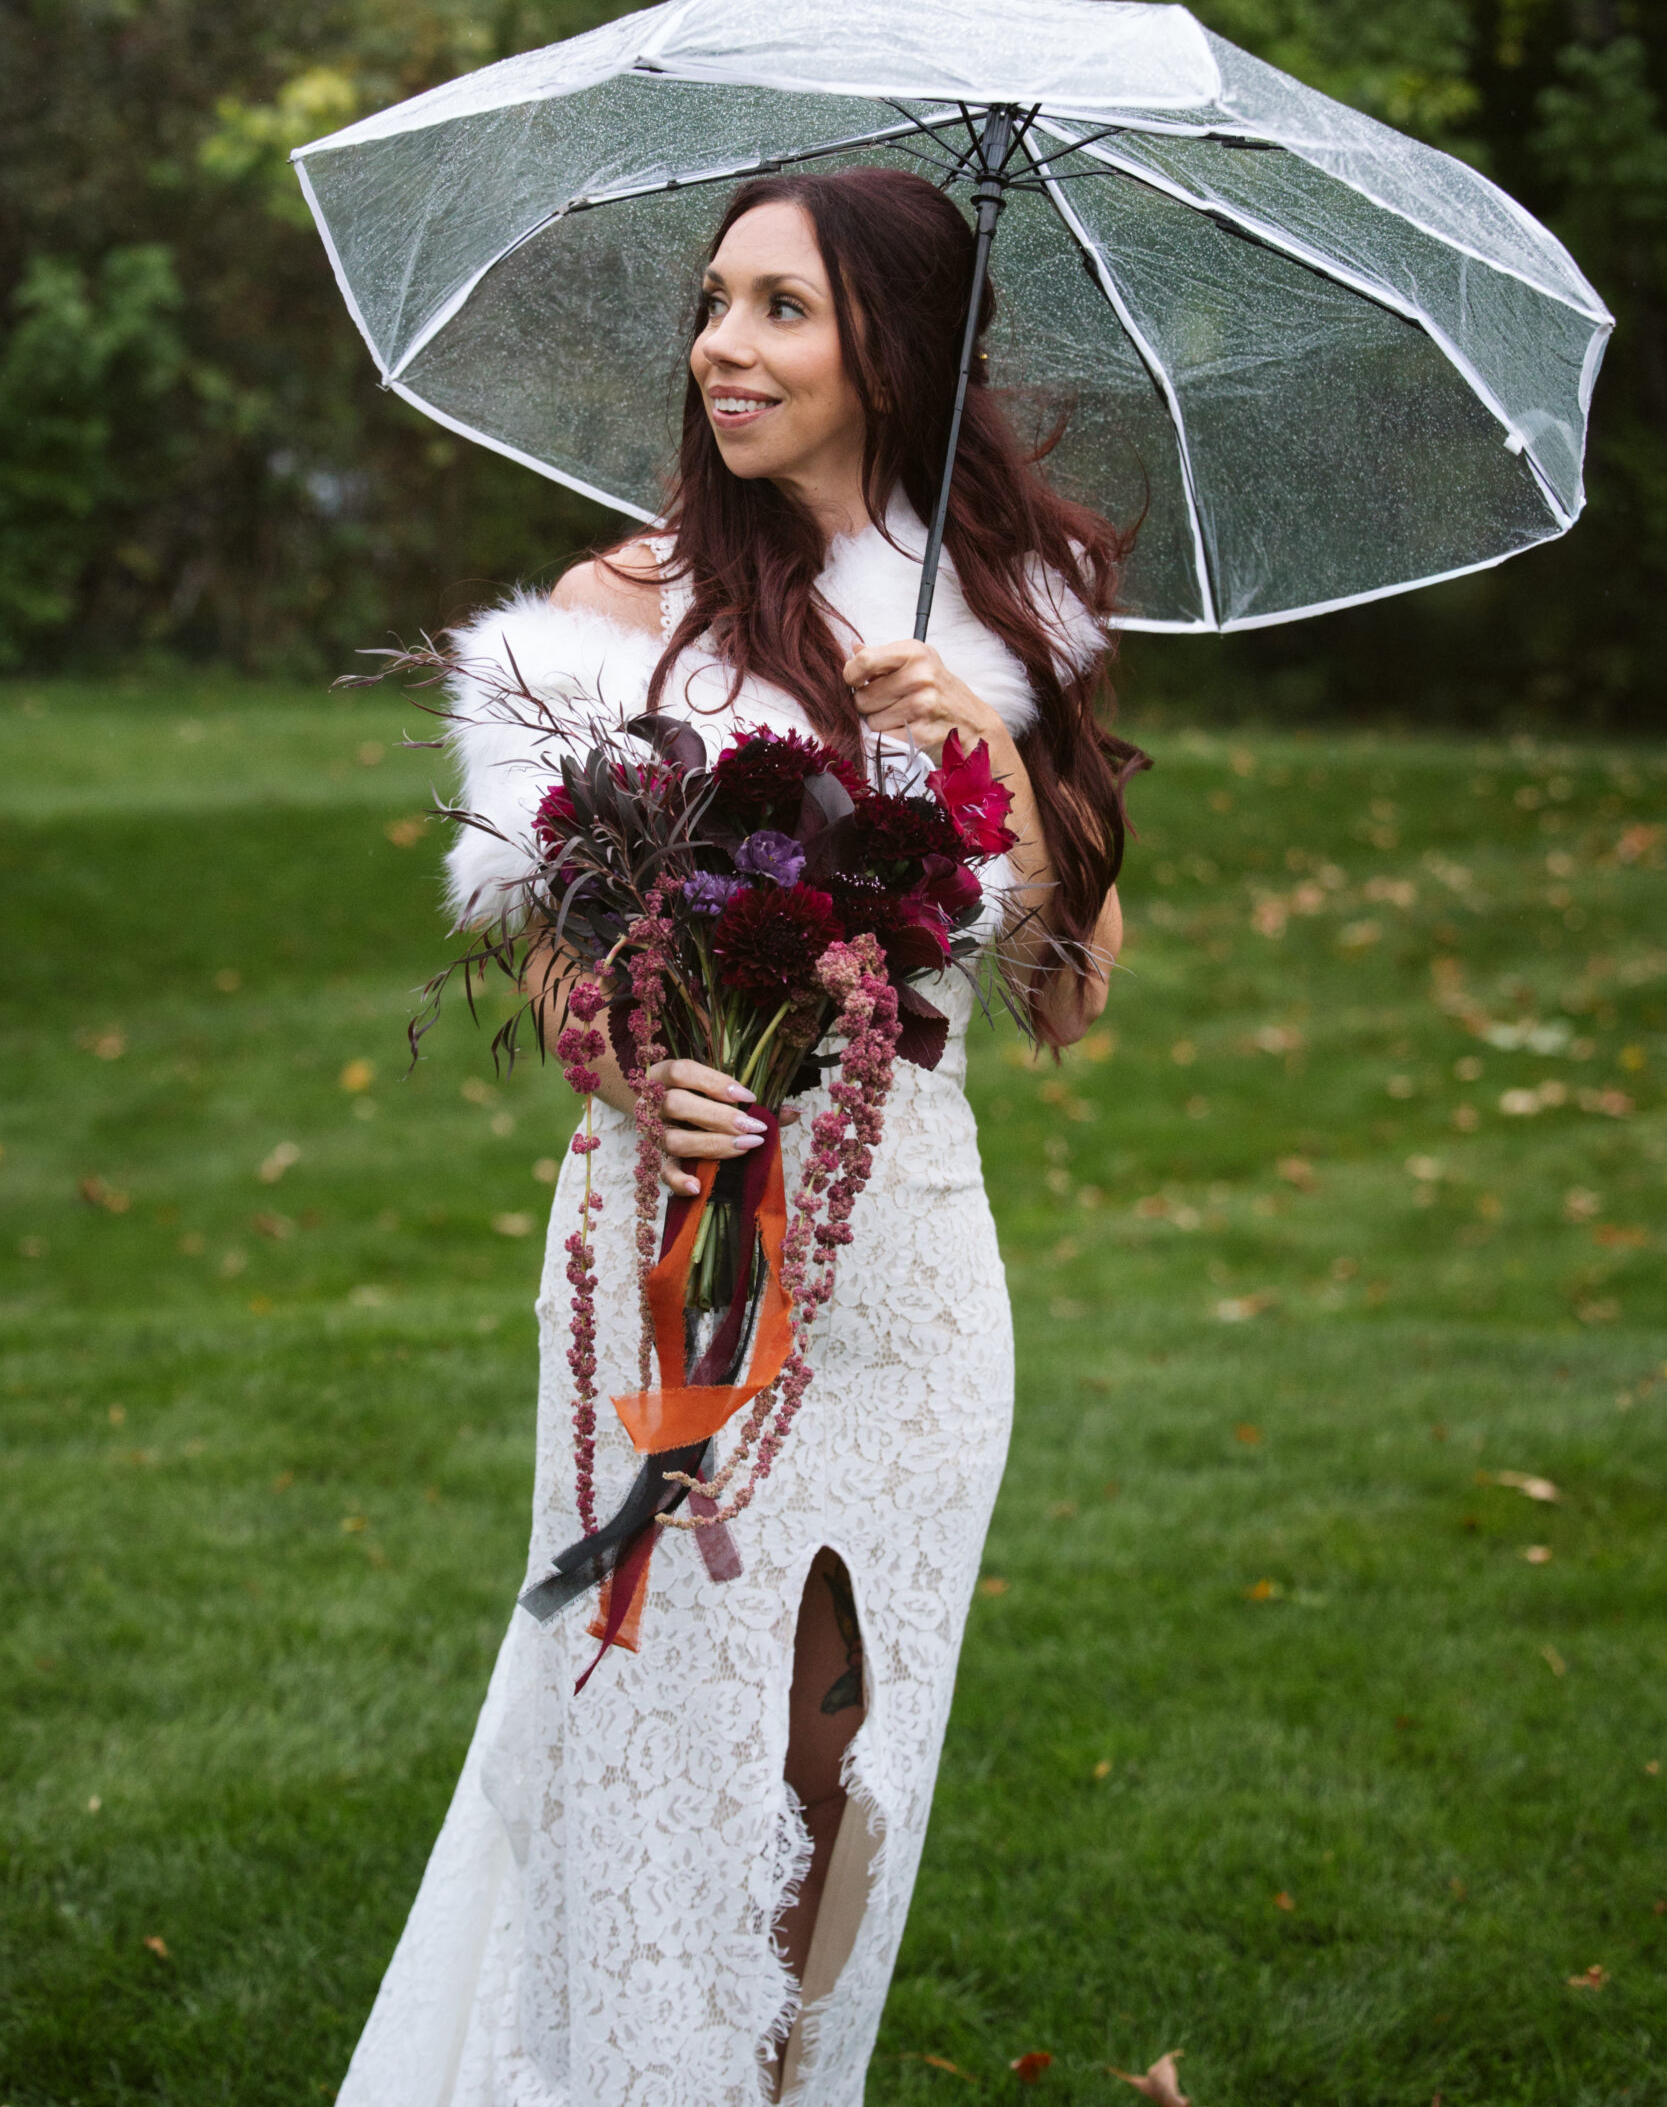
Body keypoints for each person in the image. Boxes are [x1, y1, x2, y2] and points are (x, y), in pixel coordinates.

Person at [335, 165, 1143, 2107]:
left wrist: (982, 750)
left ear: (894, 350)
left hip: (906, 1274)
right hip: (668, 1251)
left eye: (782, 308)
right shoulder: (609, 616)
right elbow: (555, 960)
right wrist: (634, 1057)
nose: (723, 345)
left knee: (842, 1756)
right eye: (713, 303)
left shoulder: (1004, 614)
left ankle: (778, 2083)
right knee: (673, 1738)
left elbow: (1072, 987)